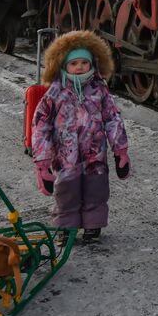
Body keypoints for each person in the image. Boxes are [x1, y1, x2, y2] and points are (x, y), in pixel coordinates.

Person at [30, 31, 131, 243]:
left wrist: (120, 149)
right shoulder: (55, 92)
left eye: (84, 62)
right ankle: (67, 226)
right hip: (65, 155)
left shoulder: (99, 90)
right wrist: (42, 160)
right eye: (74, 63)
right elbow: (41, 125)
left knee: (96, 188)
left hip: (95, 153)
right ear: (63, 65)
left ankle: (93, 224)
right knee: (66, 190)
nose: (79, 67)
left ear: (93, 64)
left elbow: (112, 118)